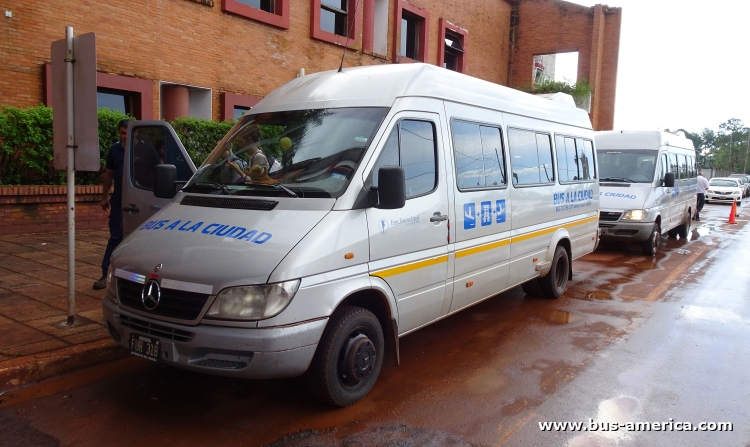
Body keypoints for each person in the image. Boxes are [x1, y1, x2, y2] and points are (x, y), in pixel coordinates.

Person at [93, 119, 132, 290]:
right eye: (122, 133)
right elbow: (108, 175)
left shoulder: (144, 149)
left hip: (139, 200)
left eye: (127, 133)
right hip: (119, 200)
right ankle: (105, 273)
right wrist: (104, 197)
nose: (124, 136)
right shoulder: (114, 150)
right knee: (116, 236)